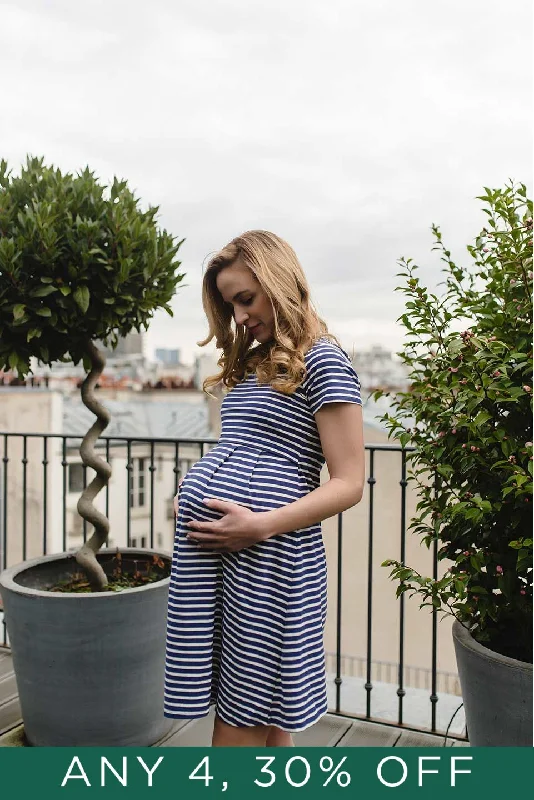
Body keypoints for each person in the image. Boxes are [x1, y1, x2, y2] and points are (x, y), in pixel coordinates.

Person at [164, 230, 365, 747]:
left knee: (239, 727)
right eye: (231, 305)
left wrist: (258, 524)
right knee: (265, 717)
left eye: (246, 299)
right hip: (237, 560)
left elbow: (349, 483)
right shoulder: (260, 362)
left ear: (278, 280)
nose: (240, 317)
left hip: (271, 563)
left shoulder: (322, 360)